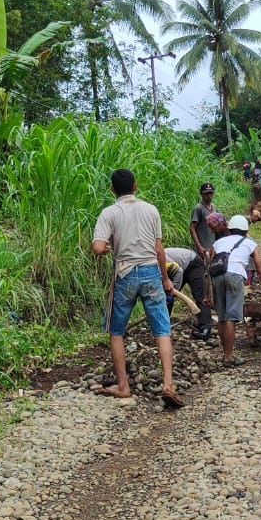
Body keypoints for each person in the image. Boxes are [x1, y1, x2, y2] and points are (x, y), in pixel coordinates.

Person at [91, 168, 184, 408]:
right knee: (162, 330)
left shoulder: (109, 213)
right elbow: (159, 250)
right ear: (135, 186)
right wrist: (165, 279)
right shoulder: (150, 210)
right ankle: (167, 384)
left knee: (116, 331)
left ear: (113, 189)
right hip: (152, 272)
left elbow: (98, 246)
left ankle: (123, 386)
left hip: (125, 274)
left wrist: (102, 249)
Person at [211, 215, 261, 366]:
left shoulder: (218, 242)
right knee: (230, 318)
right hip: (234, 276)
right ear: (246, 231)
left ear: (229, 229)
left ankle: (226, 353)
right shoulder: (250, 243)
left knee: (221, 317)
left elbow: (209, 266)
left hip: (217, 276)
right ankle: (229, 357)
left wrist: (208, 294)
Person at [165, 247, 212, 339]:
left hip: (192, 263)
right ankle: (163, 326)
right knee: (166, 295)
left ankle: (205, 330)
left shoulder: (159, 259)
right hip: (179, 268)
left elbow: (178, 272)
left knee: (200, 296)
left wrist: (174, 291)